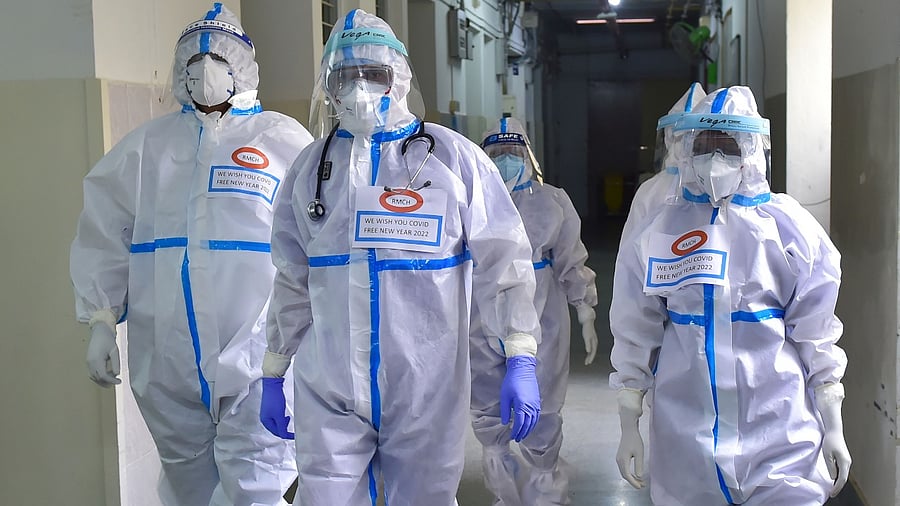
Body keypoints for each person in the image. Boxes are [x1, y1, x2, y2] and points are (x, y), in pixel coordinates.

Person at [257, 9, 541, 506]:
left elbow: (505, 263)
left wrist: (519, 352)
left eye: (375, 74)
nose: (360, 87)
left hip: (426, 389)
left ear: (401, 78)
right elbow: (291, 277)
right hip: (330, 391)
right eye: (347, 76)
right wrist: (273, 368)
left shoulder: (453, 160)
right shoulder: (311, 169)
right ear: (329, 85)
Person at [70, 4, 314, 505]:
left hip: (258, 353)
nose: (207, 69)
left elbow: (318, 238)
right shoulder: (146, 149)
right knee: (190, 492)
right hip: (167, 360)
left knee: (255, 492)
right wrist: (99, 318)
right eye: (197, 57)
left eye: (221, 58)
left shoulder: (282, 140)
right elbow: (103, 232)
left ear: (244, 69)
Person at [609, 86, 851, 505]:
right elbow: (635, 323)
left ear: (752, 150)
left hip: (779, 430)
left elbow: (817, 330)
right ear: (686, 151)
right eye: (706, 145)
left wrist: (833, 420)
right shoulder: (662, 227)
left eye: (729, 146)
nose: (716, 159)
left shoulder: (787, 226)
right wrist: (629, 416)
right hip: (687, 437)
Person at [469, 116, 599, 505]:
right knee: (485, 399)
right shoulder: (472, 200)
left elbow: (570, 260)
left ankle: (543, 486)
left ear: (529, 156)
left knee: (540, 398)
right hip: (480, 308)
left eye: (513, 152)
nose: (506, 160)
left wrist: (585, 309)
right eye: (497, 153)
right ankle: (502, 485)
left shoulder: (551, 201)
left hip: (542, 313)